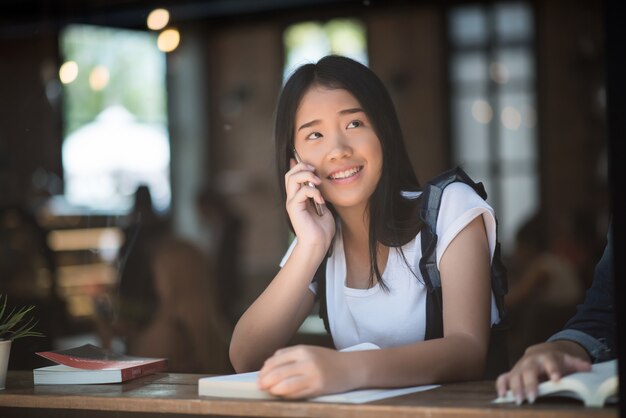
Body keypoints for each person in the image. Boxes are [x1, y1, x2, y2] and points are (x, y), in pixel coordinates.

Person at [229, 55, 503, 399]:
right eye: (315, 134)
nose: (338, 150)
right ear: (295, 163)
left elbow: (468, 350)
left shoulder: (449, 207)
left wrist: (344, 368)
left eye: (354, 124)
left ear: (383, 132)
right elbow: (245, 356)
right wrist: (311, 245)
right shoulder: (319, 238)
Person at [495, 223, 615, 404]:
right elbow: (601, 310)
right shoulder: (558, 261)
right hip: (571, 322)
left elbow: (518, 296)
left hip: (549, 318)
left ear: (527, 247)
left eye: (519, 248)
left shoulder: (543, 266)